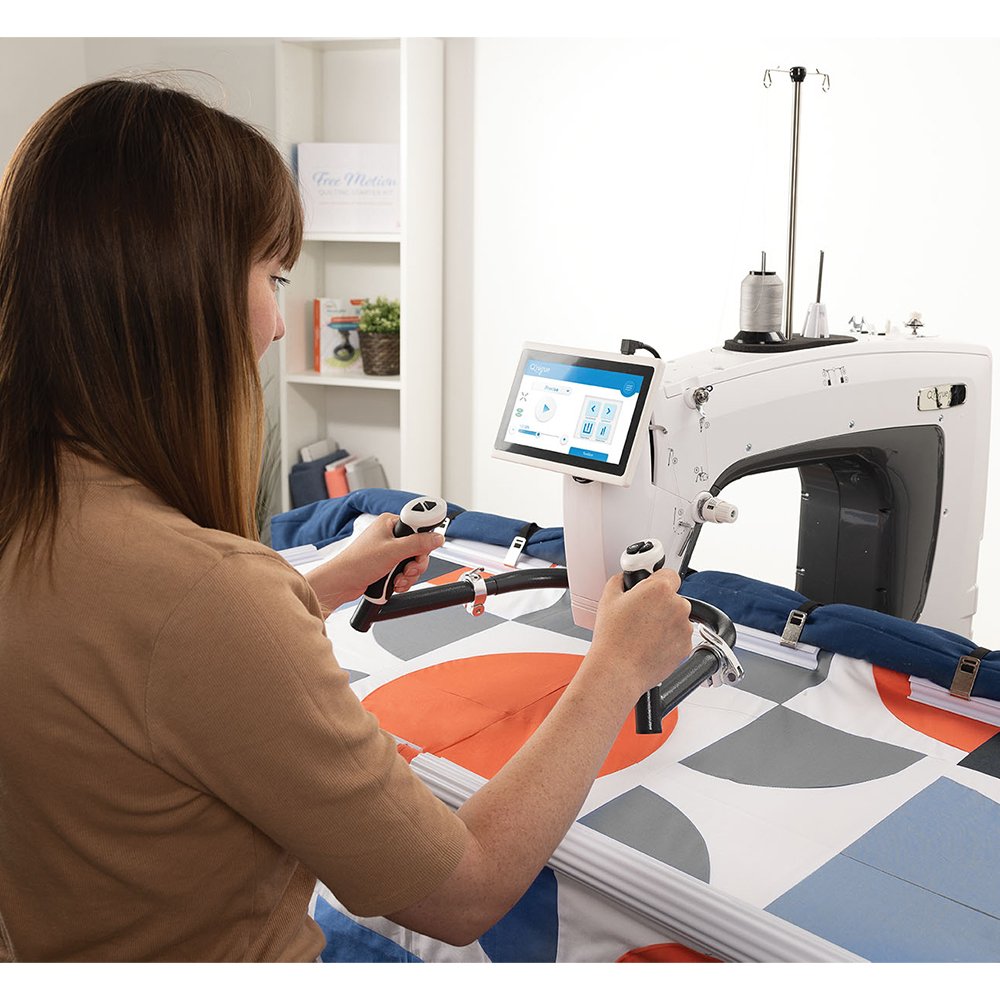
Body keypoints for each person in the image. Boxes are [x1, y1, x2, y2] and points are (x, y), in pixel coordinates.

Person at [0, 78, 694, 962]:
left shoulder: (42, 518)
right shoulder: (206, 598)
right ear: (178, 295)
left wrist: (320, 583)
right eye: (273, 276)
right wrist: (615, 667)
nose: (276, 325)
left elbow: (134, 662)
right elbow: (466, 889)